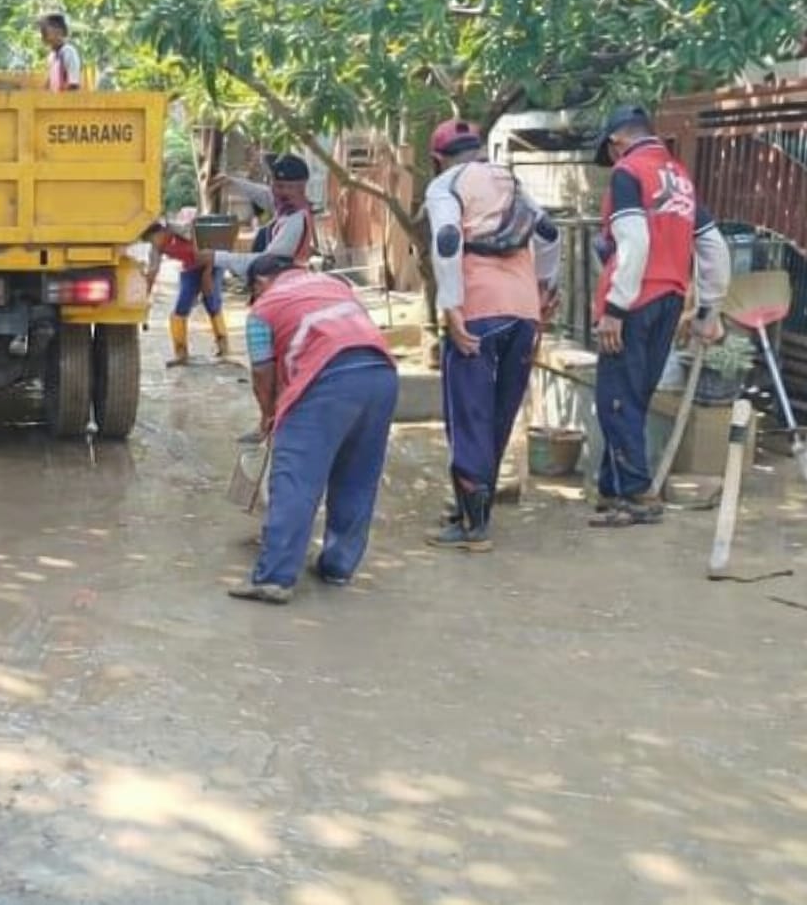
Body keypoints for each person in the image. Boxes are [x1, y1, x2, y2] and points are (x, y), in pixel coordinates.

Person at [424, 119, 562, 551]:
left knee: (468, 413)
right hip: (522, 313)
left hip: (478, 309)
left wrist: (451, 306)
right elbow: (548, 232)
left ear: (437, 159)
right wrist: (543, 289)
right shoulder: (511, 180)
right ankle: (473, 503)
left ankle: (474, 525)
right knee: (501, 411)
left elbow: (448, 238)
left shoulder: (446, 184)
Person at [228, 255, 398, 604]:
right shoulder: (336, 285)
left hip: (325, 381)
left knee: (295, 480)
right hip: (381, 376)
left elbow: (262, 373)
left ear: (259, 283)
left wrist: (269, 414)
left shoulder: (263, 309)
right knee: (357, 476)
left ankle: (274, 577)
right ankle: (338, 566)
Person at [589, 105, 729, 527]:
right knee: (634, 396)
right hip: (670, 300)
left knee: (615, 398)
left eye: (610, 153)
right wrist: (709, 310)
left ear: (617, 142)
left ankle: (636, 495)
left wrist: (615, 308)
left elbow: (633, 240)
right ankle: (613, 489)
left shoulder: (629, 172)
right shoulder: (678, 177)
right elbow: (714, 247)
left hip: (635, 301)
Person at [203, 153, 317, 279]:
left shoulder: (295, 220)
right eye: (278, 186)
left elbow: (268, 262)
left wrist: (217, 257)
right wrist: (231, 181)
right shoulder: (288, 206)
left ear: (302, 188)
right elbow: (263, 194)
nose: (282, 192)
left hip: (283, 286)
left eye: (289, 187)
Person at [145, 208, 229, 365]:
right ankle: (181, 352)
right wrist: (145, 297)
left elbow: (208, 249)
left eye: (154, 238)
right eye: (150, 241)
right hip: (190, 267)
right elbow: (152, 273)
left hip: (213, 261)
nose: (154, 242)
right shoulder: (156, 249)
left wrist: (207, 276)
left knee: (211, 301)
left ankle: (223, 346)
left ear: (162, 231)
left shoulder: (181, 229)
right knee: (181, 308)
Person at [39, 13, 83, 93]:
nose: (46, 38)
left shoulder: (68, 52)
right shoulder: (52, 56)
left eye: (47, 33)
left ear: (60, 33)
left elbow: (73, 84)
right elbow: (49, 83)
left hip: (66, 102)